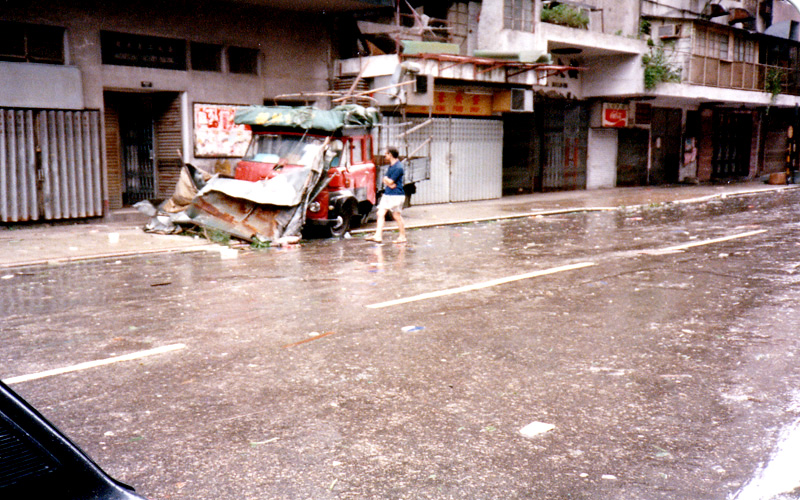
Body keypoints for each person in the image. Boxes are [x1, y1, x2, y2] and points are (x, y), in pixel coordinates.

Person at [367, 148, 406, 243]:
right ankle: (379, 235)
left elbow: (390, 181)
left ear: (391, 155)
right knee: (382, 213)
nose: (385, 156)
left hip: (395, 195)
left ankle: (401, 236)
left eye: (386, 154)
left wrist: (388, 181)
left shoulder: (398, 167)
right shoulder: (392, 166)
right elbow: (386, 180)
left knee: (395, 215)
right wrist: (388, 182)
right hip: (389, 193)